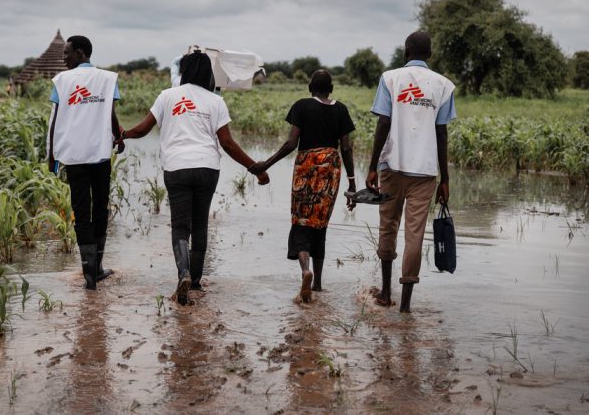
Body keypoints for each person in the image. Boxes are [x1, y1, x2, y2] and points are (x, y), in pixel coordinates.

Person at [119, 51, 269, 306]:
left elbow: (143, 129)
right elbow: (228, 144)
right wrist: (255, 168)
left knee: (180, 225)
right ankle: (196, 281)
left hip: (176, 167)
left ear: (185, 71)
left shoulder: (167, 96)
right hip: (207, 168)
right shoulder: (215, 101)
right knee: (200, 225)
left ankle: (183, 274)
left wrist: (122, 134)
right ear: (208, 73)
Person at [366, 31, 455, 313]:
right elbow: (442, 134)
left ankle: (385, 292)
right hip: (426, 173)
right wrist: (446, 178)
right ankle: (405, 305)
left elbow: (383, 123)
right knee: (414, 235)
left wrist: (370, 166)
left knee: (388, 226)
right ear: (430, 55)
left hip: (392, 166)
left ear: (406, 52)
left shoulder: (390, 78)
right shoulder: (443, 86)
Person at [250, 70, 357, 303]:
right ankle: (317, 283)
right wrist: (352, 182)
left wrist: (264, 164)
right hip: (330, 171)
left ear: (310, 88)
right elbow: (346, 149)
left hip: (306, 170)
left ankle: (305, 270)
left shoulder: (302, 106)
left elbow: (291, 143)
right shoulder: (341, 110)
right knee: (320, 223)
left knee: (301, 222)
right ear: (331, 89)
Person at [47, 35, 123, 291]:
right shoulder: (108, 78)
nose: (63, 57)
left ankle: (89, 274)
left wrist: (52, 156)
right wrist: (118, 137)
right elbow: (110, 113)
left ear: (80, 53)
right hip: (100, 154)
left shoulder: (61, 81)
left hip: (74, 157)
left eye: (67, 53)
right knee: (100, 209)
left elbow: (53, 121)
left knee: (81, 213)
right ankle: (97, 268)